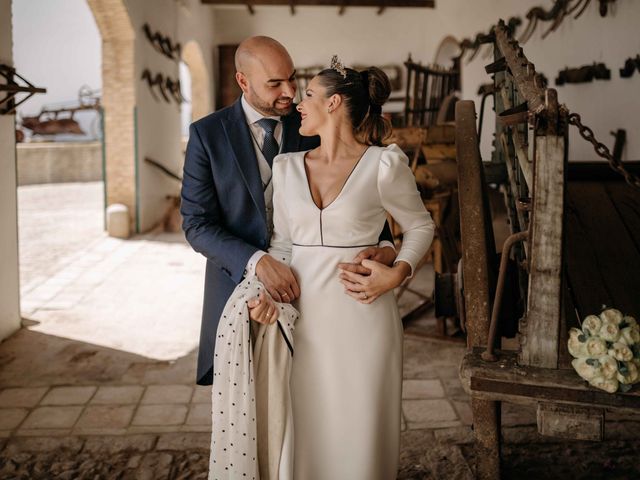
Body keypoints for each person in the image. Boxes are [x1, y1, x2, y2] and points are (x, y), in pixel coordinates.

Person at [249, 57, 435, 479]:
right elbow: (281, 244)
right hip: (302, 321)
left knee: (359, 433)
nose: (299, 102)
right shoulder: (286, 167)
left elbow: (420, 225)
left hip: (364, 319)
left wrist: (399, 270)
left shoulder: (383, 165)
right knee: (305, 431)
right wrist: (265, 295)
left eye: (309, 95)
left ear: (333, 103)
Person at [180, 36, 396, 387]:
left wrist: (386, 249)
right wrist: (258, 262)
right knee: (255, 414)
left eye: (292, 79)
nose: (290, 93)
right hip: (236, 289)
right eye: (275, 84)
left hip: (317, 295)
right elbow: (196, 224)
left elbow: (360, 194)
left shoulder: (313, 125)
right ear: (243, 81)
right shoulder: (207, 135)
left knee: (314, 400)